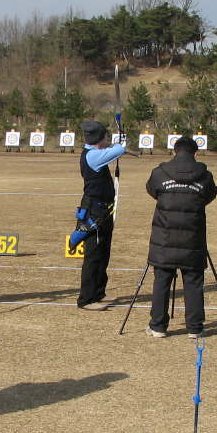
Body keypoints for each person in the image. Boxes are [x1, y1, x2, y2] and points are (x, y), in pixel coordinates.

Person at [144, 136, 217, 338]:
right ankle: (195, 327)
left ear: (174, 152)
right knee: (193, 281)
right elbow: (210, 195)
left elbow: (152, 190)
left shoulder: (159, 173)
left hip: (164, 237)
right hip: (192, 238)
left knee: (162, 280)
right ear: (195, 153)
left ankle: (158, 326)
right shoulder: (205, 176)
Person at [76, 119, 128, 310]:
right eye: (105, 137)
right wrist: (118, 143)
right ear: (100, 138)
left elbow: (114, 150)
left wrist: (113, 144)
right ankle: (87, 299)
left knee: (103, 252)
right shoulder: (93, 156)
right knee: (94, 254)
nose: (107, 140)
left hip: (102, 210)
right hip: (95, 211)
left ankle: (98, 293)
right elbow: (119, 150)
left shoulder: (95, 152)